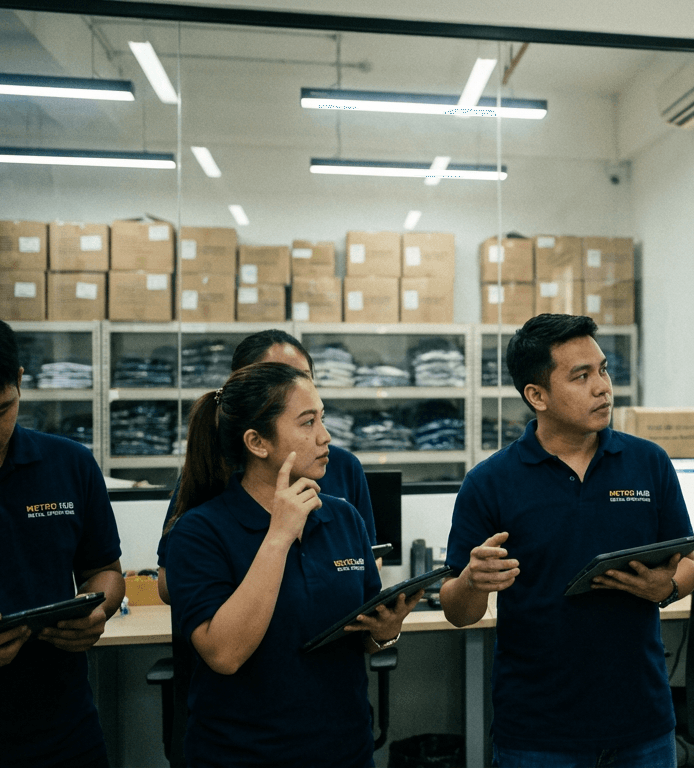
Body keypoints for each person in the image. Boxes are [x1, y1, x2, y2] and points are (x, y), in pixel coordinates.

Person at [440, 314, 694, 768]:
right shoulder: (490, 482)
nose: (602, 387)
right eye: (581, 376)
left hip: (642, 722)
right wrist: (473, 582)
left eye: (603, 370)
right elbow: (459, 612)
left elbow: (687, 562)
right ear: (536, 395)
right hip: (538, 731)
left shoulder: (648, 463)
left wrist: (669, 588)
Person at [164, 362, 419, 767]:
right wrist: (279, 536)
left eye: (323, 418)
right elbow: (224, 654)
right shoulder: (199, 531)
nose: (326, 436)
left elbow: (364, 635)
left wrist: (386, 633)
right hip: (244, 754)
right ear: (257, 442)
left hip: (345, 749)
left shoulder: (343, 517)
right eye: (307, 422)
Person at [159, 329, 377, 601]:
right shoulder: (208, 482)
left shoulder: (342, 476)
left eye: (303, 378)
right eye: (277, 377)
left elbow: (366, 565)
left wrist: (380, 632)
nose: (294, 386)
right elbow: (174, 584)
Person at [0, 319, 126, 767]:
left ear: (18, 381)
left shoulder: (69, 463)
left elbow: (106, 571)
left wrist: (98, 610)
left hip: (64, 728)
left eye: (1, 410)